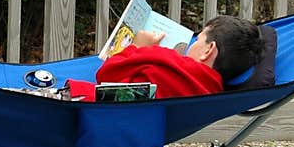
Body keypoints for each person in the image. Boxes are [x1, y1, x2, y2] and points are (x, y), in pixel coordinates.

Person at [69, 14, 266, 101]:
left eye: (198, 39)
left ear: (208, 50)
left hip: (86, 111)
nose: (192, 43)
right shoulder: (211, 93)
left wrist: (139, 46)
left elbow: (105, 73)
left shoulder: (164, 60)